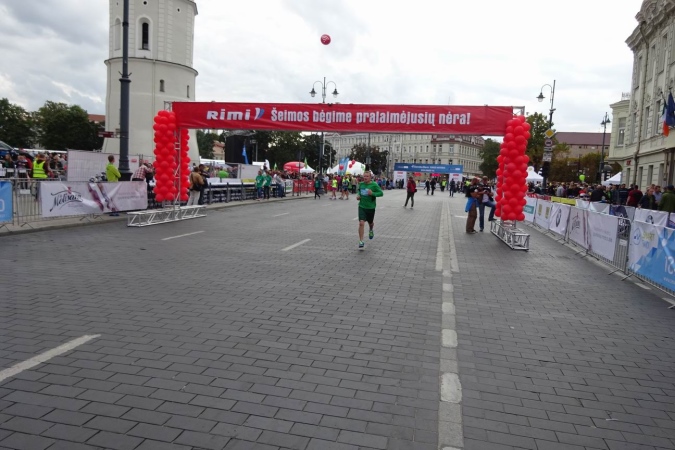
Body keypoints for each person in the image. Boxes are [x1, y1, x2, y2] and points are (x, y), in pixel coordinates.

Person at [356, 171, 384, 250]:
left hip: (371, 207)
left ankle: (371, 229)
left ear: (370, 177)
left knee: (370, 223)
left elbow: (381, 193)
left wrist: (372, 194)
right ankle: (361, 241)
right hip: (362, 206)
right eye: (364, 176)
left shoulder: (374, 185)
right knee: (361, 223)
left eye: (367, 176)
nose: (365, 178)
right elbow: (359, 191)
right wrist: (358, 195)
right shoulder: (361, 184)